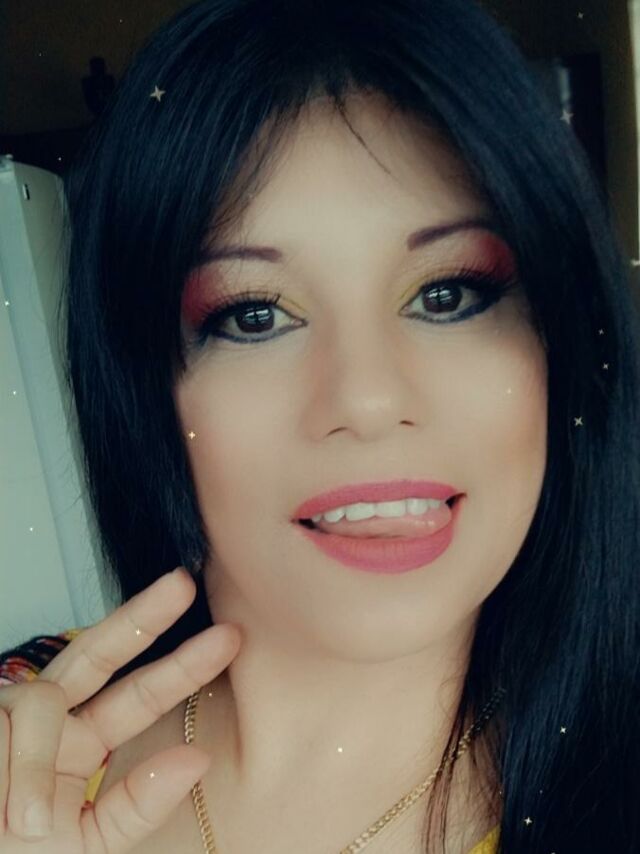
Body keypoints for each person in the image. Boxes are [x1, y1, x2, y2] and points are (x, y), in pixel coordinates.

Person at [1, 0, 639, 851]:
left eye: (447, 294)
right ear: (146, 385)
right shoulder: (23, 737)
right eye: (255, 315)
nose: (366, 400)